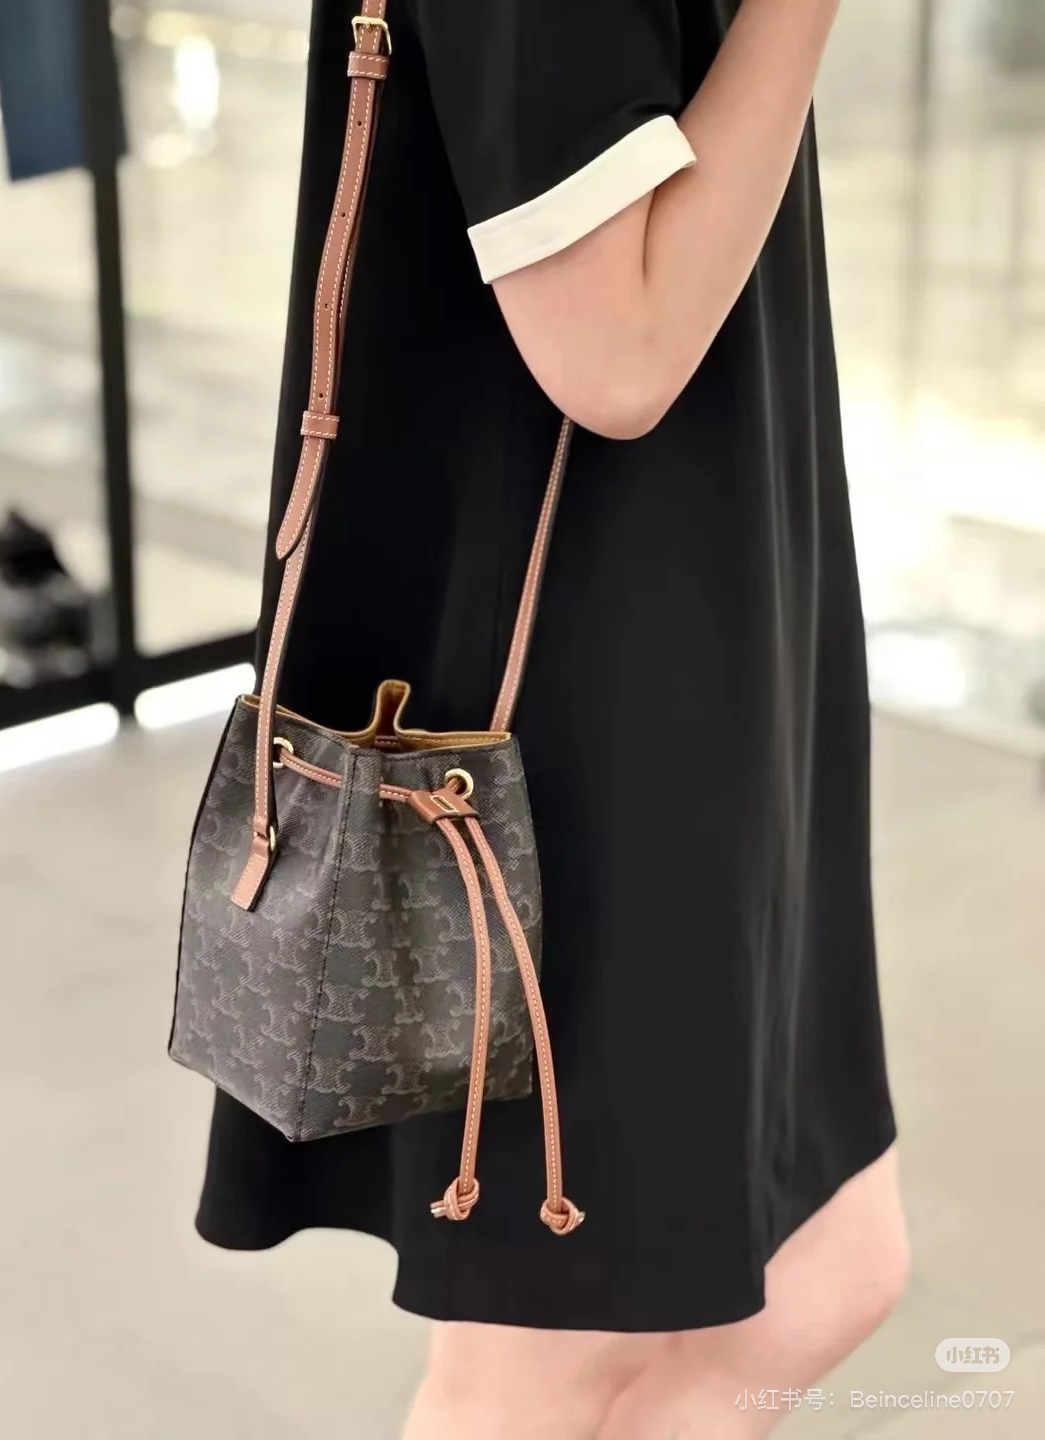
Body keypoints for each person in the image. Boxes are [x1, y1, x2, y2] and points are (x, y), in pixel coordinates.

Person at [193, 1, 908, 1434]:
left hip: (706, 626)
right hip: (568, 712)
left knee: (830, 1273)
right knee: (535, 1365)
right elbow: (617, 353)